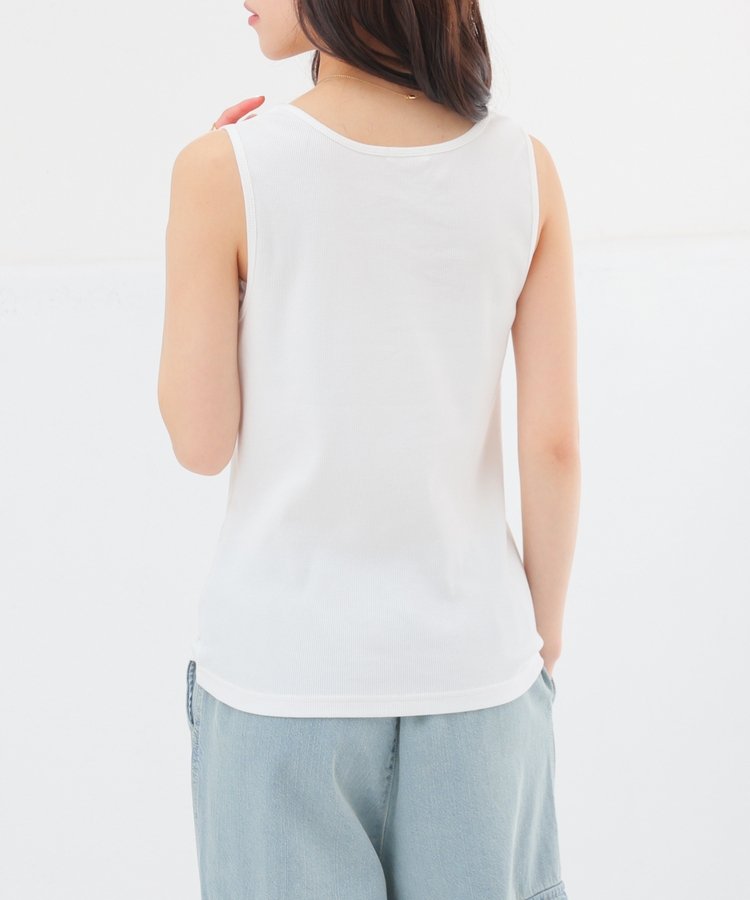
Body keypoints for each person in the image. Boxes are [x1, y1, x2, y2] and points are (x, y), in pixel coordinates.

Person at [158, 0, 580, 896]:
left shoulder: (222, 170)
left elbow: (200, 440)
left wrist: (209, 217)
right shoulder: (524, 168)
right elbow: (552, 445)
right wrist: (537, 647)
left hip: (281, 682)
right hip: (478, 678)